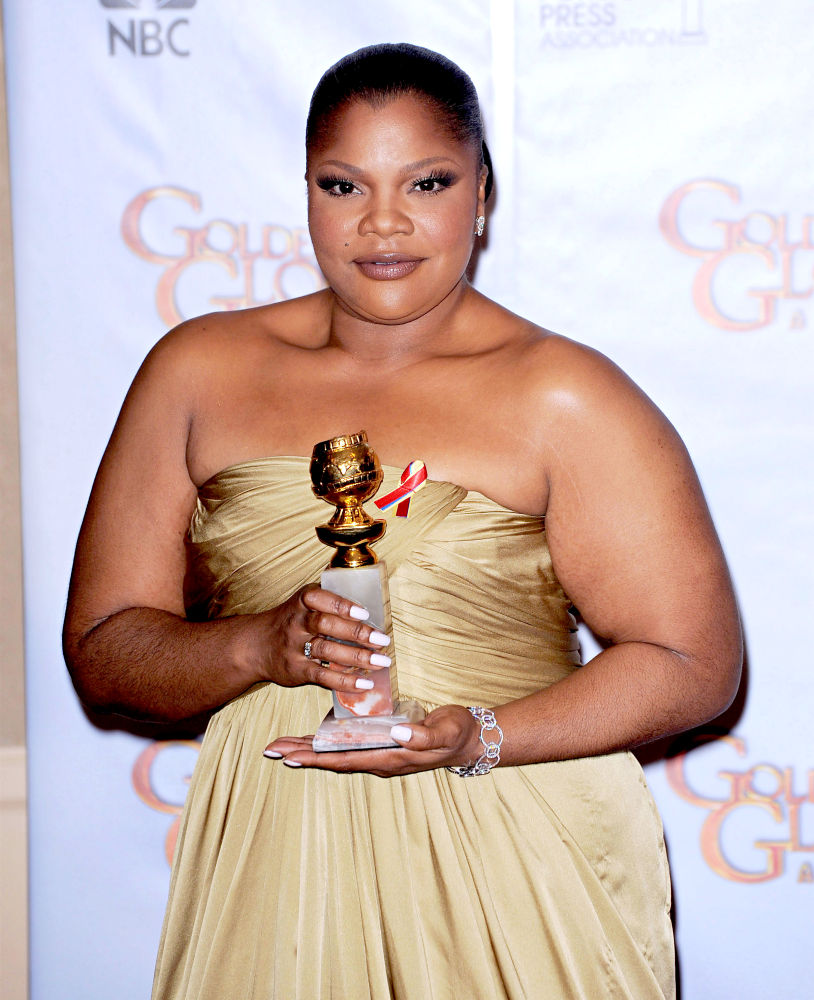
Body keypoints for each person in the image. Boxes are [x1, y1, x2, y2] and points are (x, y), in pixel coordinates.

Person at [63, 42, 742, 1000]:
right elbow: (104, 649)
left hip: (518, 854)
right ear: (305, 191)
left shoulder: (567, 396)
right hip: (280, 855)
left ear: (482, 191)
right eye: (344, 186)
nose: (383, 222)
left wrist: (480, 737)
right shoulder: (195, 372)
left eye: (427, 182)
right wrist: (256, 647)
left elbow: (693, 663)